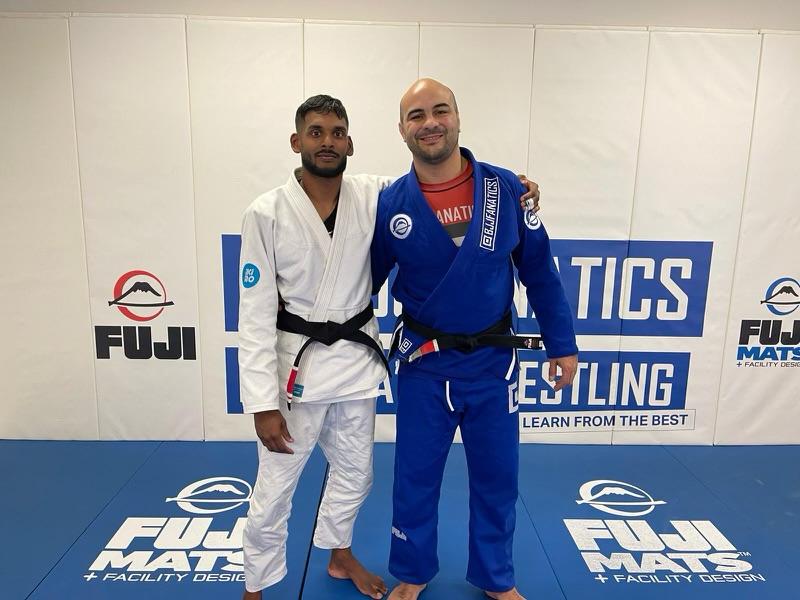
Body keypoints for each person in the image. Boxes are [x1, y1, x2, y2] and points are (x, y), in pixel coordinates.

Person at [238, 93, 542, 599]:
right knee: (276, 485)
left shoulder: (377, 195)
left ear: (351, 142)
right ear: (297, 141)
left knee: (357, 474)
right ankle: (256, 585)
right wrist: (262, 404)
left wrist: (515, 188)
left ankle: (339, 556)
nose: (328, 142)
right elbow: (253, 317)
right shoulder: (264, 213)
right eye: (316, 132)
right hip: (296, 367)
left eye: (337, 133)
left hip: (356, 363)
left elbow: (438, 180)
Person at [370, 79, 579, 600]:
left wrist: (562, 342)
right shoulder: (389, 203)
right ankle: (413, 571)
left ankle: (496, 577)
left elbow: (539, 271)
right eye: (416, 116)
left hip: (493, 363)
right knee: (415, 477)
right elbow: (359, 285)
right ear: (402, 130)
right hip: (424, 364)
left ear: (458, 118)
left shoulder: (506, 189)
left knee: (497, 478)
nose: (430, 122)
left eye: (440, 111)